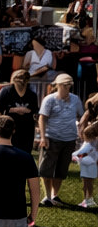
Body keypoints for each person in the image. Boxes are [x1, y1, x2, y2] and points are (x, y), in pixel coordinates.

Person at [36, 73, 81, 205]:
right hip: (52, 137)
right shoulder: (49, 99)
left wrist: (81, 131)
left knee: (61, 169)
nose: (67, 87)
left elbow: (80, 116)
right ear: (58, 85)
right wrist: (43, 137)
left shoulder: (75, 99)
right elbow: (42, 118)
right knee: (46, 168)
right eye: (64, 85)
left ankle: (55, 196)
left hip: (69, 139)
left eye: (69, 85)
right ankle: (47, 196)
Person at [0, 68, 38, 152]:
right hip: (9, 130)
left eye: (24, 79)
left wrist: (28, 111)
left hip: (26, 130)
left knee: (25, 154)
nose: (21, 81)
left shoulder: (32, 95)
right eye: (18, 79)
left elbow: (35, 111)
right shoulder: (6, 91)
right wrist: (0, 126)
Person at [75, 122, 98, 209]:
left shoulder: (93, 142)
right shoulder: (90, 142)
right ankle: (87, 199)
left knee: (88, 181)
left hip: (92, 162)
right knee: (87, 181)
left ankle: (88, 199)